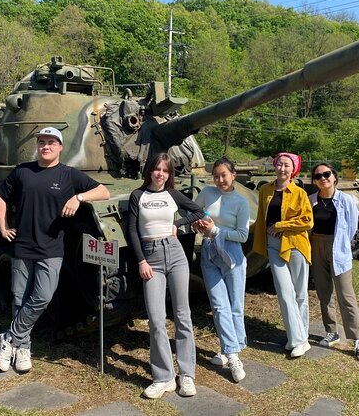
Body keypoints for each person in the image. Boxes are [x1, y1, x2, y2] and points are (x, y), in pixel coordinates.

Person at [0, 126, 110, 373]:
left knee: (43, 297)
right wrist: (3, 227)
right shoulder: (23, 171)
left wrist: (78, 198)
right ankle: (23, 347)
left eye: (51, 142)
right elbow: (0, 195)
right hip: (23, 246)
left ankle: (8, 338)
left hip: (51, 247)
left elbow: (104, 191)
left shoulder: (69, 175)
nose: (46, 146)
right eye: (42, 142)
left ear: (59, 147)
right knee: (19, 298)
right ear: (37, 145)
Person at [126, 153, 204, 399]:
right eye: (157, 169)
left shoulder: (173, 195)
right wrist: (141, 261)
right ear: (150, 170)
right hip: (151, 258)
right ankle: (164, 377)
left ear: (170, 174)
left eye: (165, 170)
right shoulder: (138, 196)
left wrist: (179, 223)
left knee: (183, 315)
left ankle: (187, 374)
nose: (160, 173)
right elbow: (131, 230)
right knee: (157, 319)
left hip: (175, 252)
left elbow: (198, 211)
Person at [193, 157, 250, 383]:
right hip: (209, 253)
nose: (219, 179)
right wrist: (196, 224)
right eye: (216, 175)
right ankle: (232, 352)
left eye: (224, 175)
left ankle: (231, 350)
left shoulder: (241, 202)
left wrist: (216, 230)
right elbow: (194, 214)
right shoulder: (207, 193)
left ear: (233, 174)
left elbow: (243, 235)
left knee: (235, 305)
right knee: (218, 305)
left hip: (232, 254)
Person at [308, 162, 359, 361]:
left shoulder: (347, 200)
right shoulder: (311, 201)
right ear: (314, 181)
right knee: (324, 292)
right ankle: (332, 331)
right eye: (318, 176)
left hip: (338, 247)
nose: (323, 178)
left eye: (327, 174)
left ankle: (357, 339)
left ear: (334, 177)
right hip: (316, 245)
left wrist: (341, 245)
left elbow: (352, 227)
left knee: (346, 296)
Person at [253, 152, 313, 358]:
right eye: (279, 164)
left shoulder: (299, 193)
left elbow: (307, 221)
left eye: (286, 165)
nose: (281, 168)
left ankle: (299, 337)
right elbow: (262, 218)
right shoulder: (265, 190)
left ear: (293, 169)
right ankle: (298, 339)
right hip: (273, 245)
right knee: (284, 293)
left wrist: (281, 225)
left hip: (295, 244)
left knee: (300, 293)